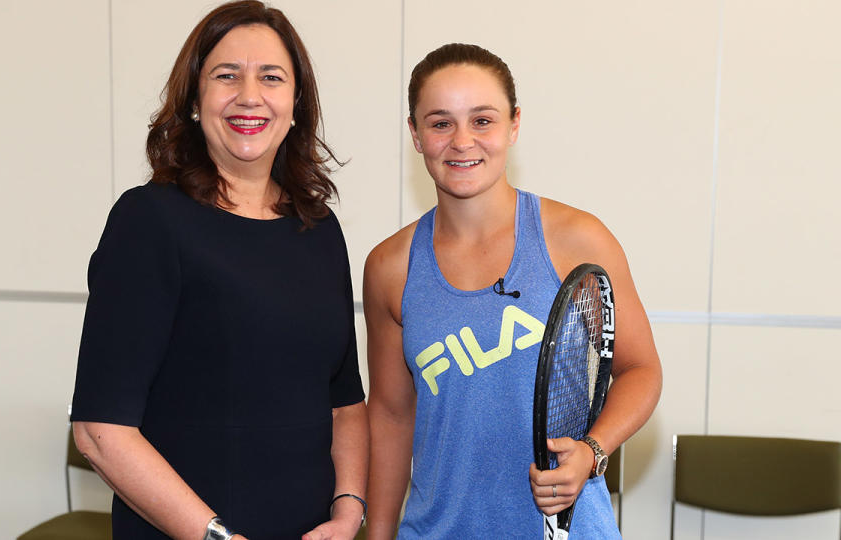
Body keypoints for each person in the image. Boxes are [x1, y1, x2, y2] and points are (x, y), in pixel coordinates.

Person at [69, 2, 368, 539]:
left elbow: (345, 403)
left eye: (271, 78)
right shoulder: (149, 221)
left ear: (296, 102)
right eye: (226, 75)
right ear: (193, 100)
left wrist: (348, 514)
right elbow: (100, 431)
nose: (249, 96)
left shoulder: (318, 227)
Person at [364, 43, 662, 539]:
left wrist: (592, 451)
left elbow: (642, 369)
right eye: (440, 123)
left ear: (514, 124)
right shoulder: (389, 267)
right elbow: (393, 417)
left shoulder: (576, 238)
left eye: (482, 120)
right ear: (415, 135)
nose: (462, 141)